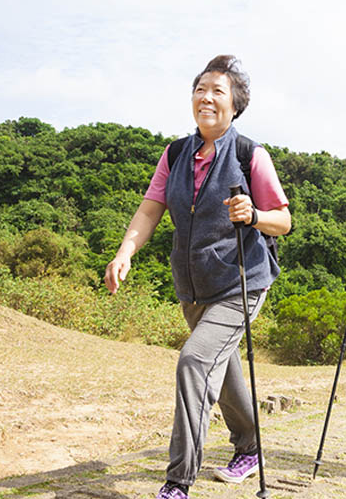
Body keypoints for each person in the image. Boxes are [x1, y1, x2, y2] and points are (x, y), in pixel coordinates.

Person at [104, 55, 290, 499]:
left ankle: (178, 481)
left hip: (240, 281)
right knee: (221, 371)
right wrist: (125, 251)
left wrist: (255, 213)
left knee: (194, 362)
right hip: (193, 285)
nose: (206, 97)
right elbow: (151, 207)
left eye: (218, 91)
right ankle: (249, 447)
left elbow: (283, 220)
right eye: (200, 89)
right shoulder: (175, 153)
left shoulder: (250, 155)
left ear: (235, 105)